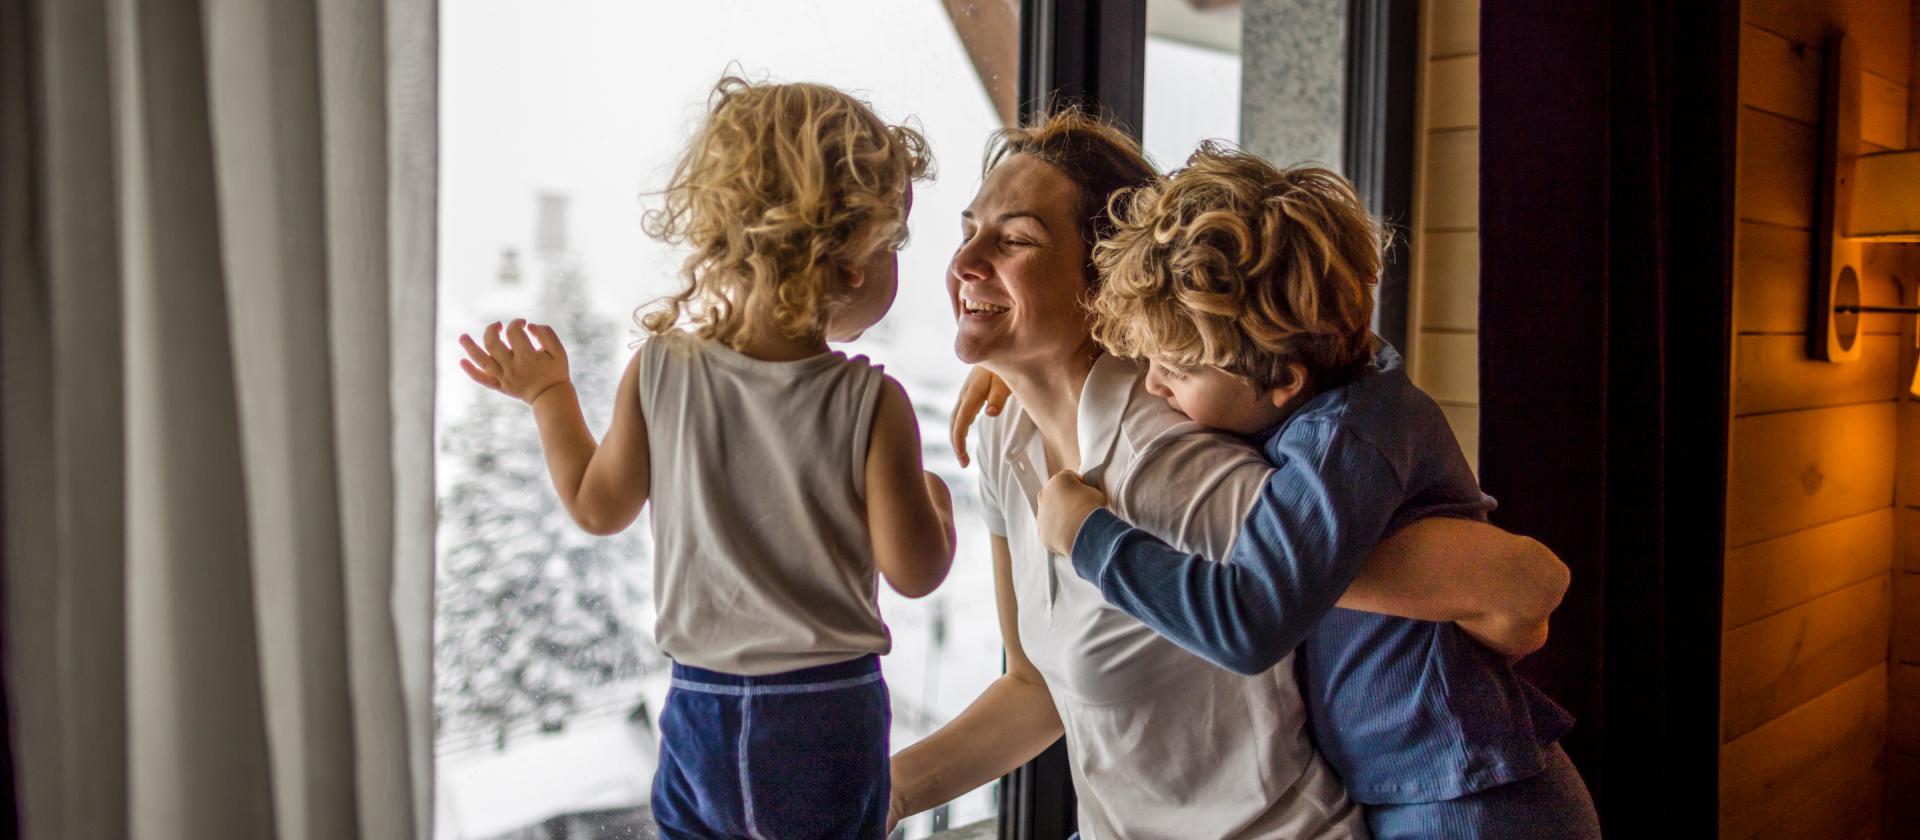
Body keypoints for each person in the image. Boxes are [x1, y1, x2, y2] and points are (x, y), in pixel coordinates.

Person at [889, 109, 1570, 839]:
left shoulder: (1195, 463)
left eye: (1016, 238)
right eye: (968, 231)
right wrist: (887, 793)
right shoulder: (1004, 436)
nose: (964, 261)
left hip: (1436, 794)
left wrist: (1090, 536)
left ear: (1106, 287)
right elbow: (1036, 687)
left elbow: (1526, 587)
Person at [456, 76, 954, 840]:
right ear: (851, 262)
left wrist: (551, 396)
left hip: (699, 708)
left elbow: (597, 506)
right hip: (825, 713)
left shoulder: (661, 370)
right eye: (893, 244)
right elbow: (916, 572)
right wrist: (937, 505)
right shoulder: (869, 403)